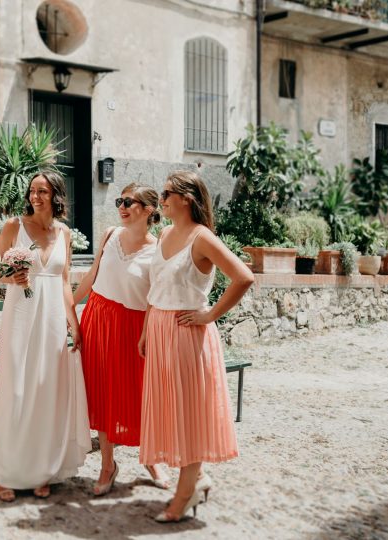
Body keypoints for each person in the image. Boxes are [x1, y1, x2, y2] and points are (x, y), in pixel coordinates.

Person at [138, 171, 254, 522]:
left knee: (187, 413)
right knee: (171, 409)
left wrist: (209, 315)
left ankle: (184, 495)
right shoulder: (164, 234)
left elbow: (244, 277)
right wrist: (146, 330)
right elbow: (155, 287)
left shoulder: (202, 238)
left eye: (167, 193)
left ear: (186, 198)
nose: (162, 199)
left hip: (188, 335)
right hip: (159, 330)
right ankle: (198, 478)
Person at [0, 170, 91, 502]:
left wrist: (73, 323)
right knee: (15, 391)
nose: (35, 196)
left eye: (42, 191)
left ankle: (42, 470)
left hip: (51, 320)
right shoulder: (13, 227)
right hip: (21, 316)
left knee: (47, 392)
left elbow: (63, 282)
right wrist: (12, 276)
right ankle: (5, 474)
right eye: (32, 191)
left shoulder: (63, 233)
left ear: (56, 195)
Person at [72, 183, 172, 496]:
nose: (122, 207)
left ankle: (151, 458)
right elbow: (91, 276)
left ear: (149, 210)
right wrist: (67, 309)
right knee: (102, 393)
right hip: (98, 319)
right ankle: (107, 464)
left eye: (129, 202)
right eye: (120, 201)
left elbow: (156, 296)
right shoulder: (110, 235)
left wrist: (148, 333)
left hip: (134, 327)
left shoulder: (158, 249)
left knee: (140, 395)